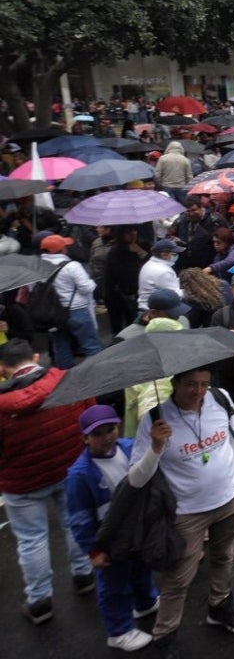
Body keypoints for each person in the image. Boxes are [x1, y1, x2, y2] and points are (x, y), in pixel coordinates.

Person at [128, 365, 234, 655]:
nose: (198, 392)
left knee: (224, 555)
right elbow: (136, 478)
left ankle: (219, 605)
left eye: (203, 383)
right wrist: (156, 447)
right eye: (190, 385)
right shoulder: (154, 419)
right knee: (178, 577)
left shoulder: (220, 398)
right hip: (187, 512)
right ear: (174, 383)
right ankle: (165, 635)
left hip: (229, 497)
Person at [0, 339, 94, 625]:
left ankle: (40, 600)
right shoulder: (67, 381)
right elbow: (88, 414)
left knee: (32, 540)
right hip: (68, 467)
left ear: (3, 370)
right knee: (73, 521)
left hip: (22, 481)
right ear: (36, 357)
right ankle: (84, 574)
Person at [65, 405, 158, 652]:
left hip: (137, 528)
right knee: (114, 584)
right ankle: (119, 631)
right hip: (109, 537)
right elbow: (79, 518)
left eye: (111, 429)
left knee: (141, 567)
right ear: (85, 438)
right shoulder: (80, 474)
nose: (107, 437)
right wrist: (92, 550)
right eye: (98, 434)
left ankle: (145, 601)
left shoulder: (128, 447)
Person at [38, 233, 103, 369]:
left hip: (52, 314)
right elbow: (87, 288)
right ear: (61, 250)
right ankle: (97, 373)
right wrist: (91, 282)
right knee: (91, 345)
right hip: (76, 310)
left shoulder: (37, 266)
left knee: (60, 346)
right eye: (64, 246)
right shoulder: (71, 266)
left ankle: (65, 377)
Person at [136, 239, 184, 314]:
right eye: (174, 253)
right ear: (164, 255)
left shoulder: (150, 264)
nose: (177, 255)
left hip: (147, 309)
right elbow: (174, 296)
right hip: (154, 313)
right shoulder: (163, 271)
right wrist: (191, 291)